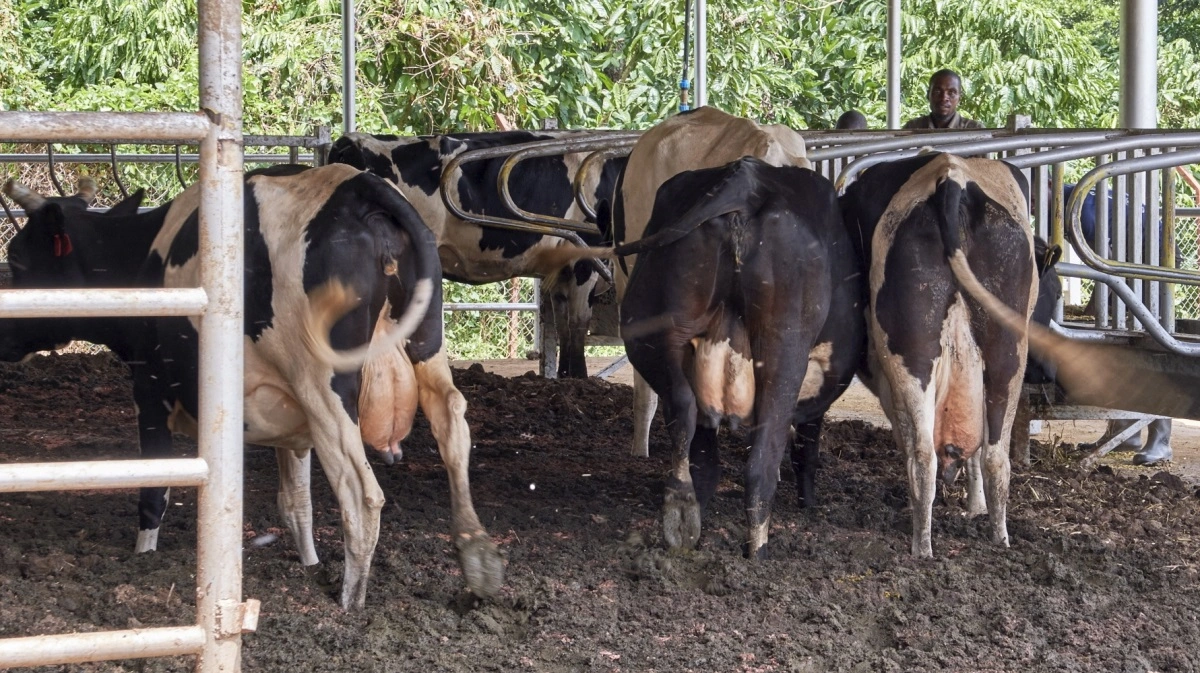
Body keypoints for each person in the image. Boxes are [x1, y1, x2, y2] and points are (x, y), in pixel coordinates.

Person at [902, 69, 984, 130]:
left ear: (959, 98)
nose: (944, 98)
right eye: (937, 91)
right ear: (928, 95)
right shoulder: (912, 128)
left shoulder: (974, 129)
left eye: (951, 93)